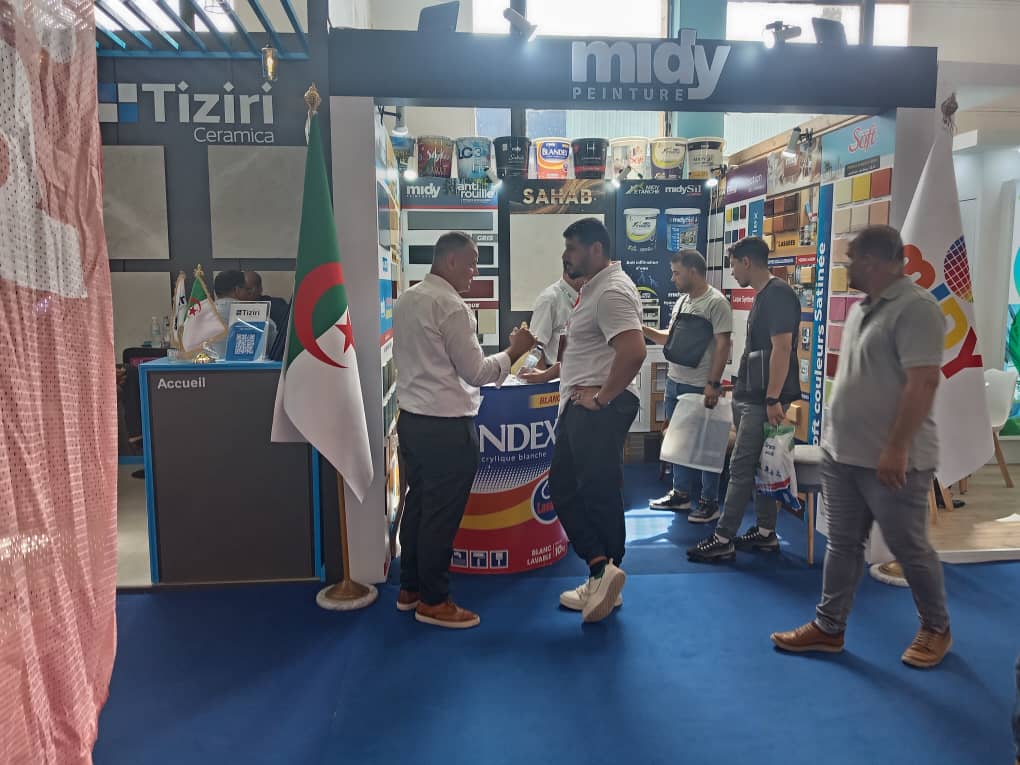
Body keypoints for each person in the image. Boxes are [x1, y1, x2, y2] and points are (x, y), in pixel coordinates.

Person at [771, 225, 952, 668]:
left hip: (892, 459)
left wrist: (897, 448)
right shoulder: (861, 309)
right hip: (843, 454)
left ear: (872, 261)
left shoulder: (917, 308)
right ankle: (829, 627)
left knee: (909, 546)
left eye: (851, 259)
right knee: (843, 544)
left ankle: (936, 628)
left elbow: (923, 383)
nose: (846, 266)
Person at [393, 231, 535, 629]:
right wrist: (515, 350)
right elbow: (476, 373)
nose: (475, 271)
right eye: (472, 263)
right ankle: (434, 601)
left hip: (413, 422)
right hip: (447, 428)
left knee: (419, 505)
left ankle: (410, 589)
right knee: (440, 515)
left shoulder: (408, 299)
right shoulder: (452, 307)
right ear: (450, 261)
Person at [520, 218, 645, 623]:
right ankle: (602, 573)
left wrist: (603, 397)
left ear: (596, 249)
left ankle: (604, 574)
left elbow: (634, 351)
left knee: (594, 491)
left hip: (596, 408)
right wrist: (551, 375)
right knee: (574, 488)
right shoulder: (592, 291)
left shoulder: (610, 291)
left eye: (572, 248)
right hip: (581, 405)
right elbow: (584, 354)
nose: (565, 256)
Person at [687, 236, 800, 562]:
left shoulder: (777, 294)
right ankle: (765, 533)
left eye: (734, 265)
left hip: (762, 400)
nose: (733, 272)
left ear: (747, 262)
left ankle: (723, 537)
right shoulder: (765, 295)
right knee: (760, 466)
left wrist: (773, 398)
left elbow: (782, 349)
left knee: (740, 467)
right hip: (752, 395)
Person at [642, 250, 732, 518]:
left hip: (700, 386)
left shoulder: (716, 303)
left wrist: (713, 383)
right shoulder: (682, 302)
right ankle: (680, 495)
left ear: (693, 271)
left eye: (676, 273)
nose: (673, 278)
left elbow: (723, 345)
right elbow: (669, 338)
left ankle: (709, 502)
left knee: (707, 446)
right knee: (678, 442)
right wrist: (641, 328)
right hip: (675, 383)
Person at [210, 270, 277, 359]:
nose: (248, 293)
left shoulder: (200, 314)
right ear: (237, 290)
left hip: (203, 366)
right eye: (246, 289)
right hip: (247, 367)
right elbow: (275, 346)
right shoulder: (257, 314)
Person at [529, 266, 586, 367]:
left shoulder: (588, 296)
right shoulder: (549, 299)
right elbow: (535, 345)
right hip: (554, 371)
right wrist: (543, 375)